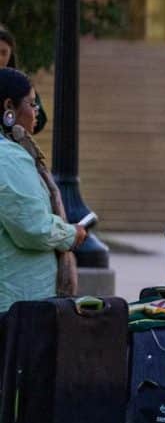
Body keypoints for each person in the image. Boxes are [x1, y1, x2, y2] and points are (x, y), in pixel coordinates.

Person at [0, 69, 86, 314]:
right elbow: (32, 228)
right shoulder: (8, 157)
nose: (36, 112)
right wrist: (70, 234)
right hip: (17, 305)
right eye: (32, 103)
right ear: (9, 106)